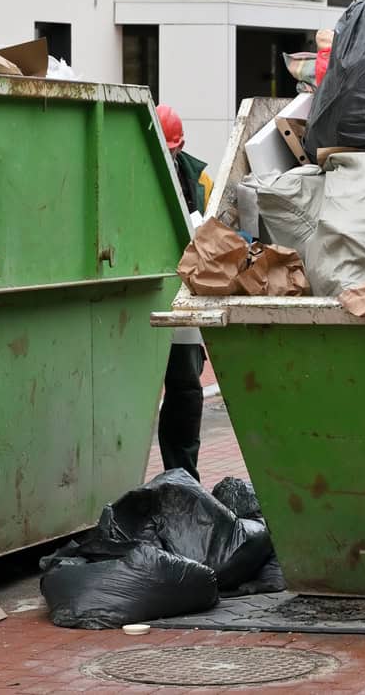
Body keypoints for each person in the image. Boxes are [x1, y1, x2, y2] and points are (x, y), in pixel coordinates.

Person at [155, 104, 207, 476]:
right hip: (144, 295)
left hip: (184, 296)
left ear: (179, 146)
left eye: (170, 150)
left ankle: (182, 475)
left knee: (186, 391)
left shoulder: (199, 178)